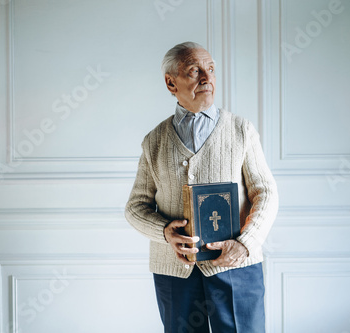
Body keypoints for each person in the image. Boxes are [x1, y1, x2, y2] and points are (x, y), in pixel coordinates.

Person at [125, 41, 278, 333]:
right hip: (174, 272)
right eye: (195, 71)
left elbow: (266, 193)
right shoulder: (154, 141)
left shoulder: (241, 130)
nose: (207, 79)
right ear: (171, 83)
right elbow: (135, 208)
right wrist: (164, 232)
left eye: (211, 70)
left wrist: (245, 243)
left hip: (236, 265)